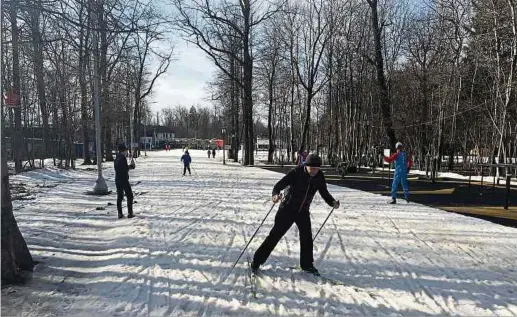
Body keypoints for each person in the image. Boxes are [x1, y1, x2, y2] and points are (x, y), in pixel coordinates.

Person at [251, 153, 340, 275]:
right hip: (287, 209)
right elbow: (278, 186)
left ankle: (307, 265)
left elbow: (324, 192)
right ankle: (257, 261)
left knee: (307, 237)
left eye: (316, 168)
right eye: (311, 168)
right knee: (275, 235)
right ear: (306, 166)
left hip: (303, 211)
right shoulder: (296, 172)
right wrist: (275, 195)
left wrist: (332, 202)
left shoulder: (319, 176)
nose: (314, 171)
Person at [114, 144, 136, 219]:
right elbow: (124, 169)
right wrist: (131, 166)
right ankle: (130, 213)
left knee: (120, 196)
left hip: (117, 180)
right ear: (123, 151)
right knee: (130, 195)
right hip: (123, 180)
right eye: (126, 150)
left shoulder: (117, 158)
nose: (127, 152)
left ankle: (120, 213)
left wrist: (129, 166)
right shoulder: (122, 158)